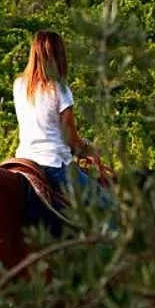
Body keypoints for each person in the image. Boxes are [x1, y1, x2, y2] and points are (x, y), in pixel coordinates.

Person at [12, 29, 110, 209]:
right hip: (53, 163)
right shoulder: (60, 90)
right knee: (108, 205)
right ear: (59, 56)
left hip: (24, 161)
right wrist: (91, 150)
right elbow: (71, 140)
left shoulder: (19, 85)